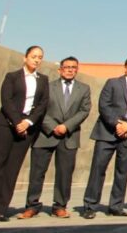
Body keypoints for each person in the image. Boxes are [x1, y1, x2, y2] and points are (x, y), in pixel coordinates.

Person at [0, 45, 50, 222]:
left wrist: (28, 122)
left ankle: (1, 209)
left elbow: (43, 104)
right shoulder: (12, 77)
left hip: (27, 128)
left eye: (40, 57)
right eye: (33, 56)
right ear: (25, 58)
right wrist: (17, 121)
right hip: (6, 125)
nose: (37, 59)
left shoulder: (43, 80)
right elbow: (6, 99)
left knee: (12, 170)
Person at [82, 54, 127, 219]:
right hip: (107, 133)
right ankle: (90, 205)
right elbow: (104, 105)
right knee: (98, 169)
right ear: (126, 67)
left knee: (122, 172)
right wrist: (117, 124)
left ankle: (116, 205)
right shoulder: (112, 83)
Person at [21, 56, 91, 219]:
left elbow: (84, 110)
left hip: (69, 136)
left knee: (64, 173)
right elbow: (40, 109)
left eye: (73, 67)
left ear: (77, 70)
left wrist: (66, 126)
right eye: (66, 67)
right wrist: (52, 127)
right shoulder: (47, 86)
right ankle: (32, 205)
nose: (70, 70)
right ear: (60, 69)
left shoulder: (84, 89)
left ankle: (59, 206)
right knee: (37, 172)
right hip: (45, 134)